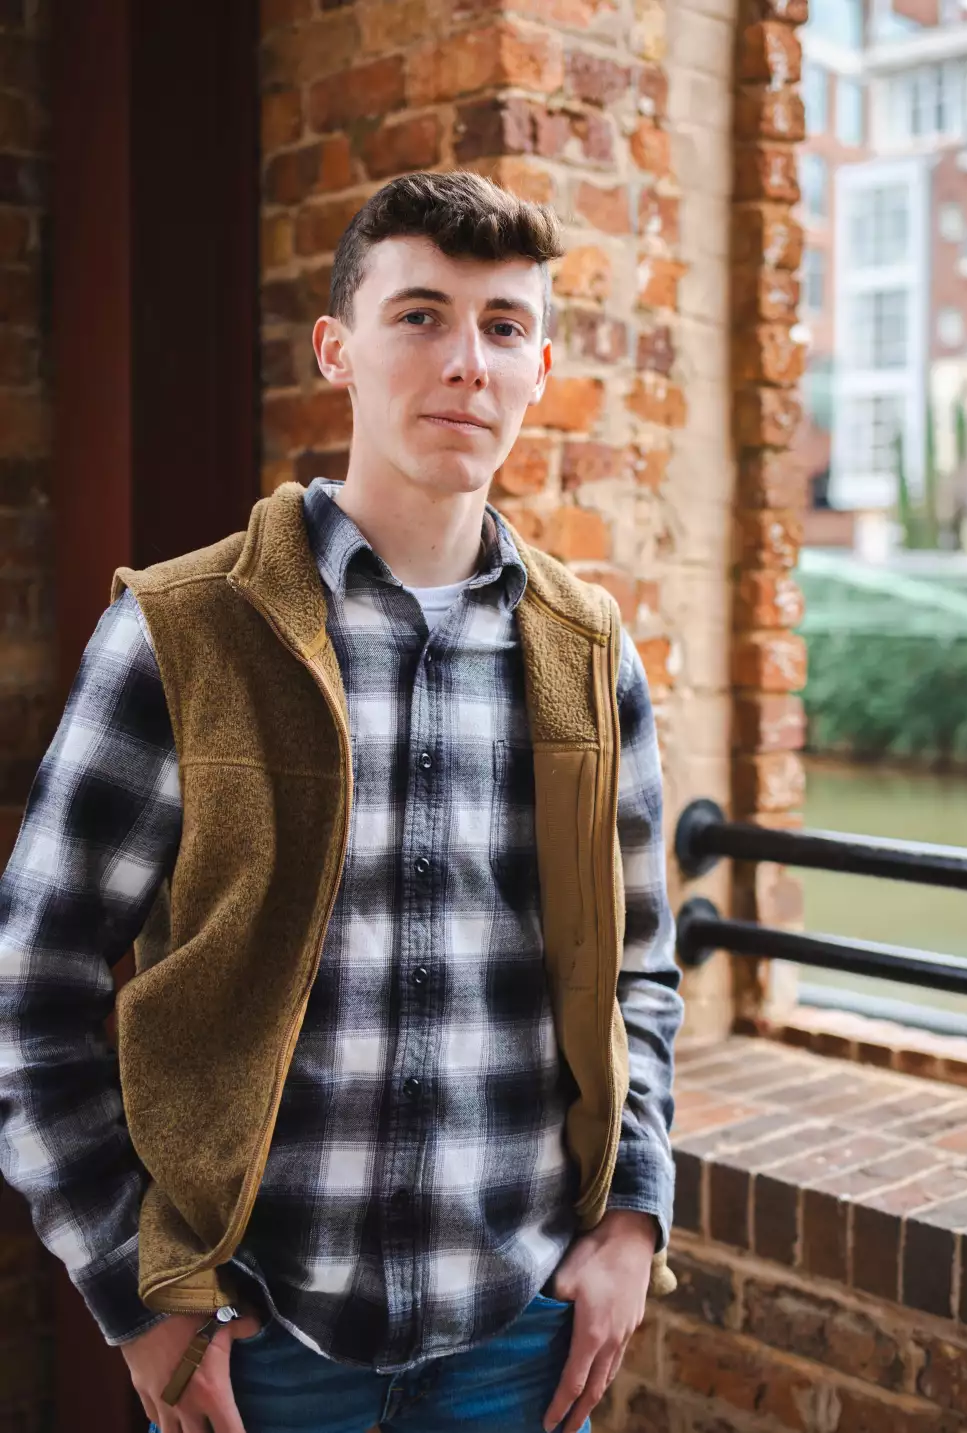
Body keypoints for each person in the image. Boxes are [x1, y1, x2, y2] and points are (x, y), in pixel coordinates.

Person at [0, 171, 683, 1433]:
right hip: (257, 1346)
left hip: (516, 1340)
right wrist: (135, 1289)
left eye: (503, 326)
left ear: (539, 365)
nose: (465, 362)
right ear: (338, 350)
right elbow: (31, 987)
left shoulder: (590, 654)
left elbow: (639, 970)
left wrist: (634, 1211)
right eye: (419, 315)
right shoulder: (182, 631)